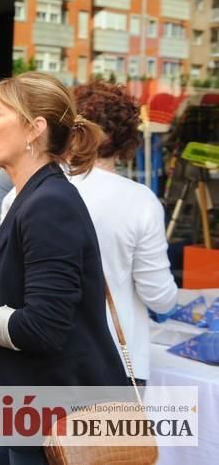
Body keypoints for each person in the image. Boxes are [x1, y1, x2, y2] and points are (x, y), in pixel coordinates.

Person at [0, 72, 127, 464]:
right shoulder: (29, 196)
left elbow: (42, 328)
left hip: (61, 418)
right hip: (26, 407)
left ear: (35, 129)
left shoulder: (49, 203)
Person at [69, 80, 179, 383]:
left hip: (45, 356)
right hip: (115, 360)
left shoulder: (30, 192)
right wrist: (175, 302)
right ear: (127, 139)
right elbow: (159, 296)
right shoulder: (140, 201)